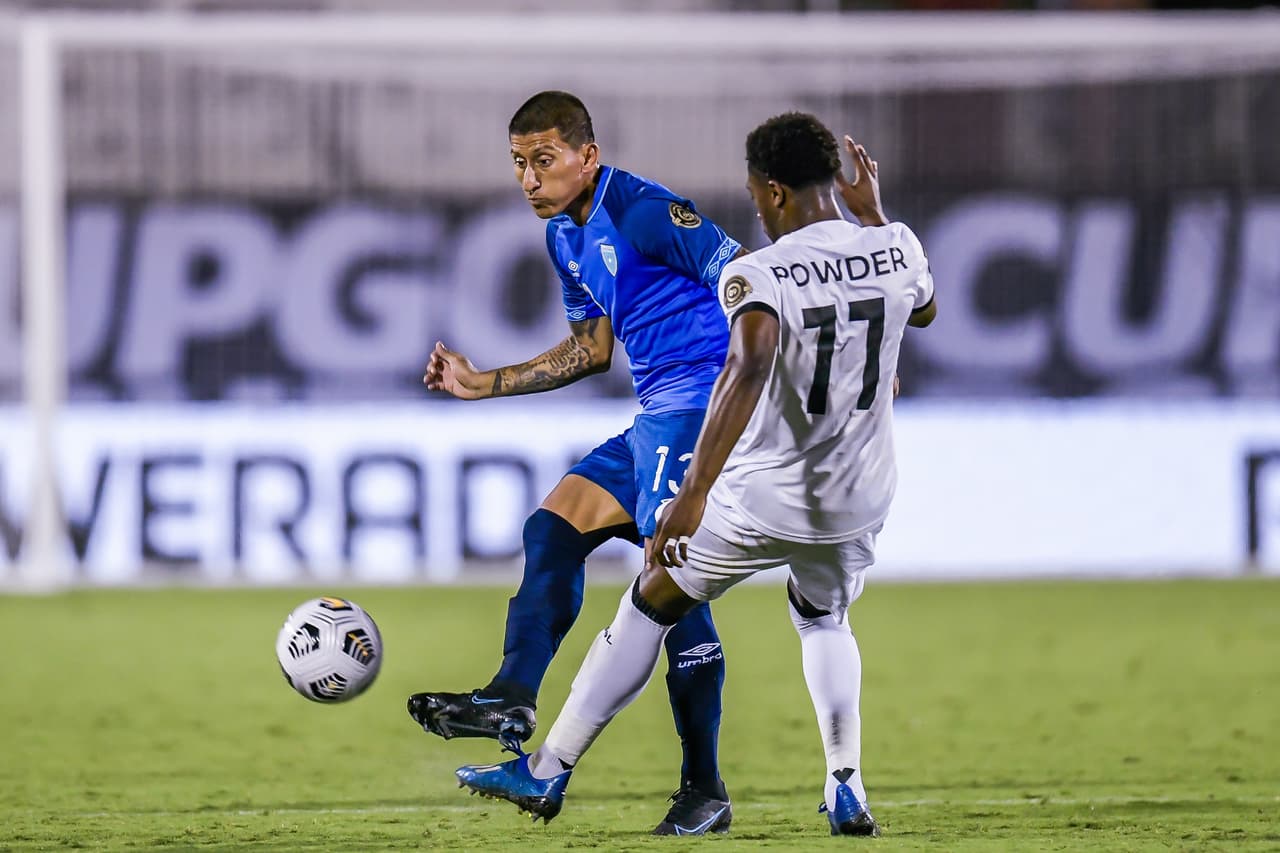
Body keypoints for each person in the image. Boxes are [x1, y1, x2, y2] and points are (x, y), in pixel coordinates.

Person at [454, 112, 937, 838]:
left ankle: (554, 768)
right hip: (861, 498)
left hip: (765, 495)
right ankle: (846, 782)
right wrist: (870, 213)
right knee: (823, 618)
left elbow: (746, 365)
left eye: (754, 193)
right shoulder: (895, 244)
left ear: (772, 192)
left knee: (652, 599)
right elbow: (921, 310)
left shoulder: (759, 271)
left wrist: (695, 493)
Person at [407, 91, 744, 835]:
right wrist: (484, 382)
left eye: (544, 160)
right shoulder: (564, 235)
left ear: (587, 156)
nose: (529, 179)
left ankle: (704, 788)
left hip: (703, 410)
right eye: (518, 163)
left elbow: (751, 279)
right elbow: (591, 350)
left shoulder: (645, 211)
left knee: (672, 586)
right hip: (656, 419)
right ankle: (511, 694)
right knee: (554, 526)